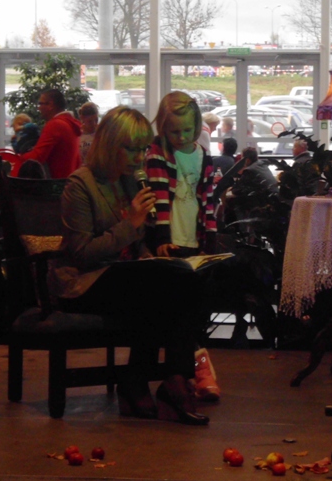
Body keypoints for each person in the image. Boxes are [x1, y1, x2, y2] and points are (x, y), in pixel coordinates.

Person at [52, 106, 209, 426]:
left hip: (125, 277)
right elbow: (81, 254)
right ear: (109, 144)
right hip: (82, 282)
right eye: (131, 149)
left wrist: (149, 253)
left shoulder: (130, 181)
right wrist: (131, 224)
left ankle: (167, 379)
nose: (139, 158)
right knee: (159, 287)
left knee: (184, 277)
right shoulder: (80, 185)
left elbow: (136, 246)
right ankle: (161, 382)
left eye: (142, 149)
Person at [145, 90, 220, 402]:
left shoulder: (204, 156)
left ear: (197, 126)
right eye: (174, 131)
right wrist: (161, 239)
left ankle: (189, 371)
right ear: (163, 128)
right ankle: (194, 372)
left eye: (187, 130)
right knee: (174, 307)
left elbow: (210, 202)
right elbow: (159, 199)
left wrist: (210, 238)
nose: (181, 136)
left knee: (193, 306)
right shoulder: (157, 155)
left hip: (194, 239)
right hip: (168, 241)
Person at [19, 88, 81, 178]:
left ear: (50, 105)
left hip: (55, 183)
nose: (38, 108)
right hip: (68, 181)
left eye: (40, 103)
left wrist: (19, 157)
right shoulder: (70, 124)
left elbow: (36, 158)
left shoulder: (55, 125)